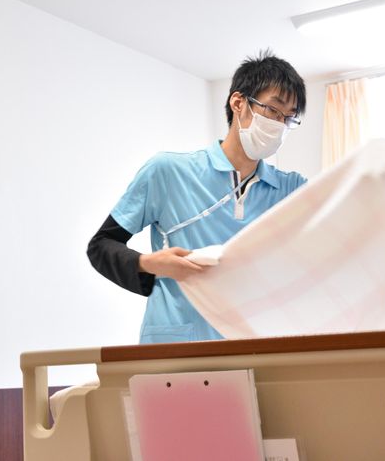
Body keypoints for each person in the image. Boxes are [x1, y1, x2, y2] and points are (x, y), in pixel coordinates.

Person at [87, 51, 307, 343]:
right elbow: (101, 246)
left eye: (289, 118)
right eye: (273, 110)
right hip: (175, 346)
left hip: (251, 347)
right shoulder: (168, 171)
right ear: (238, 103)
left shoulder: (290, 189)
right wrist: (149, 264)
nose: (280, 125)